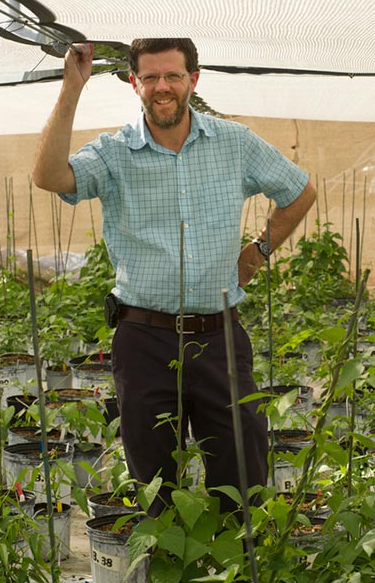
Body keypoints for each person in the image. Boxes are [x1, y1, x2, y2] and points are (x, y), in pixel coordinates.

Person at [33, 38, 316, 514]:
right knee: (154, 481)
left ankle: (236, 561)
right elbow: (49, 176)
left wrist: (258, 251)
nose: (162, 87)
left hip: (219, 335)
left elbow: (299, 192)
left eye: (173, 76)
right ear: (134, 83)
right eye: (150, 78)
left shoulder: (234, 142)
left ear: (193, 80)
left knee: (242, 471)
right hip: (144, 338)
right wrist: (72, 87)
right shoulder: (114, 152)